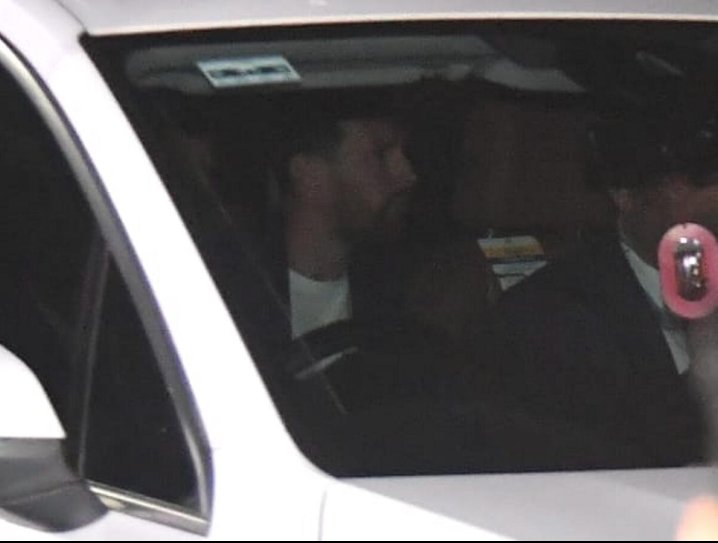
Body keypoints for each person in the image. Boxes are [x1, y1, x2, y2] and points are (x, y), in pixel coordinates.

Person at [486, 110, 718, 468]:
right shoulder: (552, 313)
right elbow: (592, 447)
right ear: (624, 194)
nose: (711, 202)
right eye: (683, 187)